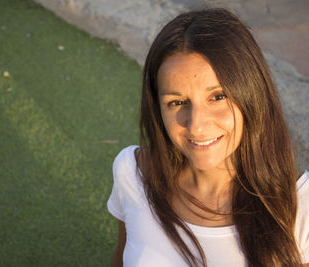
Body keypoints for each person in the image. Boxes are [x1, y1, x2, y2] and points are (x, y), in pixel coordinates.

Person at [107, 8, 309, 267]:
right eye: (177, 102)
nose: (197, 126)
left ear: (252, 94)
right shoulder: (132, 173)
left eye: (218, 97)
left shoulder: (300, 207)